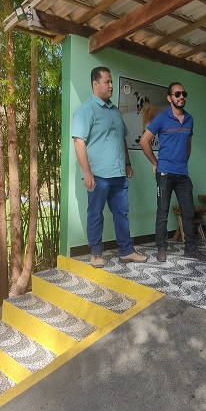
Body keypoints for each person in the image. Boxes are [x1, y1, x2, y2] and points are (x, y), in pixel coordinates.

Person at [72, 66, 147, 267]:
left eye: (112, 81)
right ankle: (96, 253)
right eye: (107, 82)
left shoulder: (115, 111)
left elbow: (122, 138)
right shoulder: (85, 110)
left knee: (122, 213)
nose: (111, 85)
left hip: (119, 174)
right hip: (97, 175)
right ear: (95, 83)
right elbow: (79, 142)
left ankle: (127, 251)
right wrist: (87, 172)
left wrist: (127, 163)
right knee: (95, 214)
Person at [139, 82, 206, 263]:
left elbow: (188, 145)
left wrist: (183, 162)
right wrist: (155, 163)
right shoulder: (162, 118)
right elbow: (144, 141)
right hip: (164, 173)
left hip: (182, 174)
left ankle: (190, 249)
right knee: (162, 212)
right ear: (169, 98)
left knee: (189, 212)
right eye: (177, 94)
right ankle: (161, 248)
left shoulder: (189, 119)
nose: (181, 97)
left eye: (184, 93)